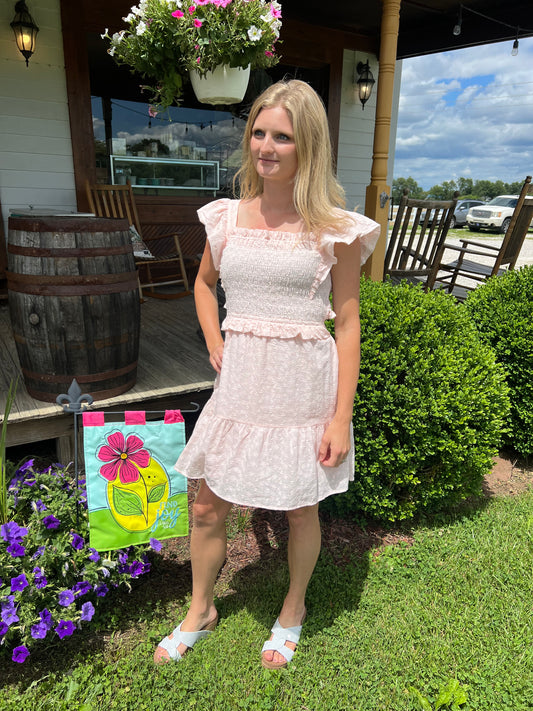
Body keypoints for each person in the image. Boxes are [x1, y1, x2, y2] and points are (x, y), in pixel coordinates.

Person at [154, 79, 380, 668]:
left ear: (308, 146)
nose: (266, 147)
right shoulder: (226, 218)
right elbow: (204, 286)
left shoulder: (335, 227)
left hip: (303, 386)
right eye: (258, 132)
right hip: (241, 385)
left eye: (282, 136)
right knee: (207, 504)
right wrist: (213, 340)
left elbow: (349, 325)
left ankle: (293, 608)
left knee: (300, 506)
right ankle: (200, 608)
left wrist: (341, 416)